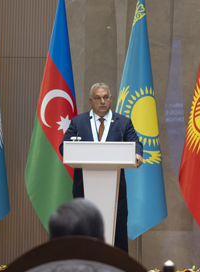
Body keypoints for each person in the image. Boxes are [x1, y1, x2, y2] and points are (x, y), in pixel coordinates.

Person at [60, 83, 143, 253]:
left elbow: (135, 143)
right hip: (83, 191)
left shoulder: (123, 123)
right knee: (83, 237)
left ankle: (117, 269)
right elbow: (64, 147)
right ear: (91, 101)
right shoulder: (78, 122)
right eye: (97, 98)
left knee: (118, 238)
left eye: (105, 97)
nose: (102, 101)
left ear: (111, 99)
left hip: (116, 194)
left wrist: (137, 153)